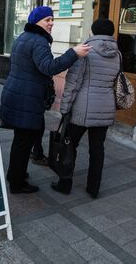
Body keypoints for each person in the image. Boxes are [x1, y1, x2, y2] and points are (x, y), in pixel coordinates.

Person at [0, 6, 91, 194]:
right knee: (24, 142)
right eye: (47, 20)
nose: (51, 23)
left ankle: (14, 174)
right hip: (26, 99)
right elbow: (49, 67)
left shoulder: (23, 38)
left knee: (21, 140)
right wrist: (74, 53)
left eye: (52, 19)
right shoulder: (38, 41)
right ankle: (17, 184)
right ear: (36, 21)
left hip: (18, 95)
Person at [51, 19, 120, 199]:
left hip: (82, 107)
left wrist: (64, 108)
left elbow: (73, 83)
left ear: (93, 31)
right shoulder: (117, 54)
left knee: (69, 145)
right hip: (105, 106)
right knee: (97, 149)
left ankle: (65, 183)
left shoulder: (84, 51)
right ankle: (93, 188)